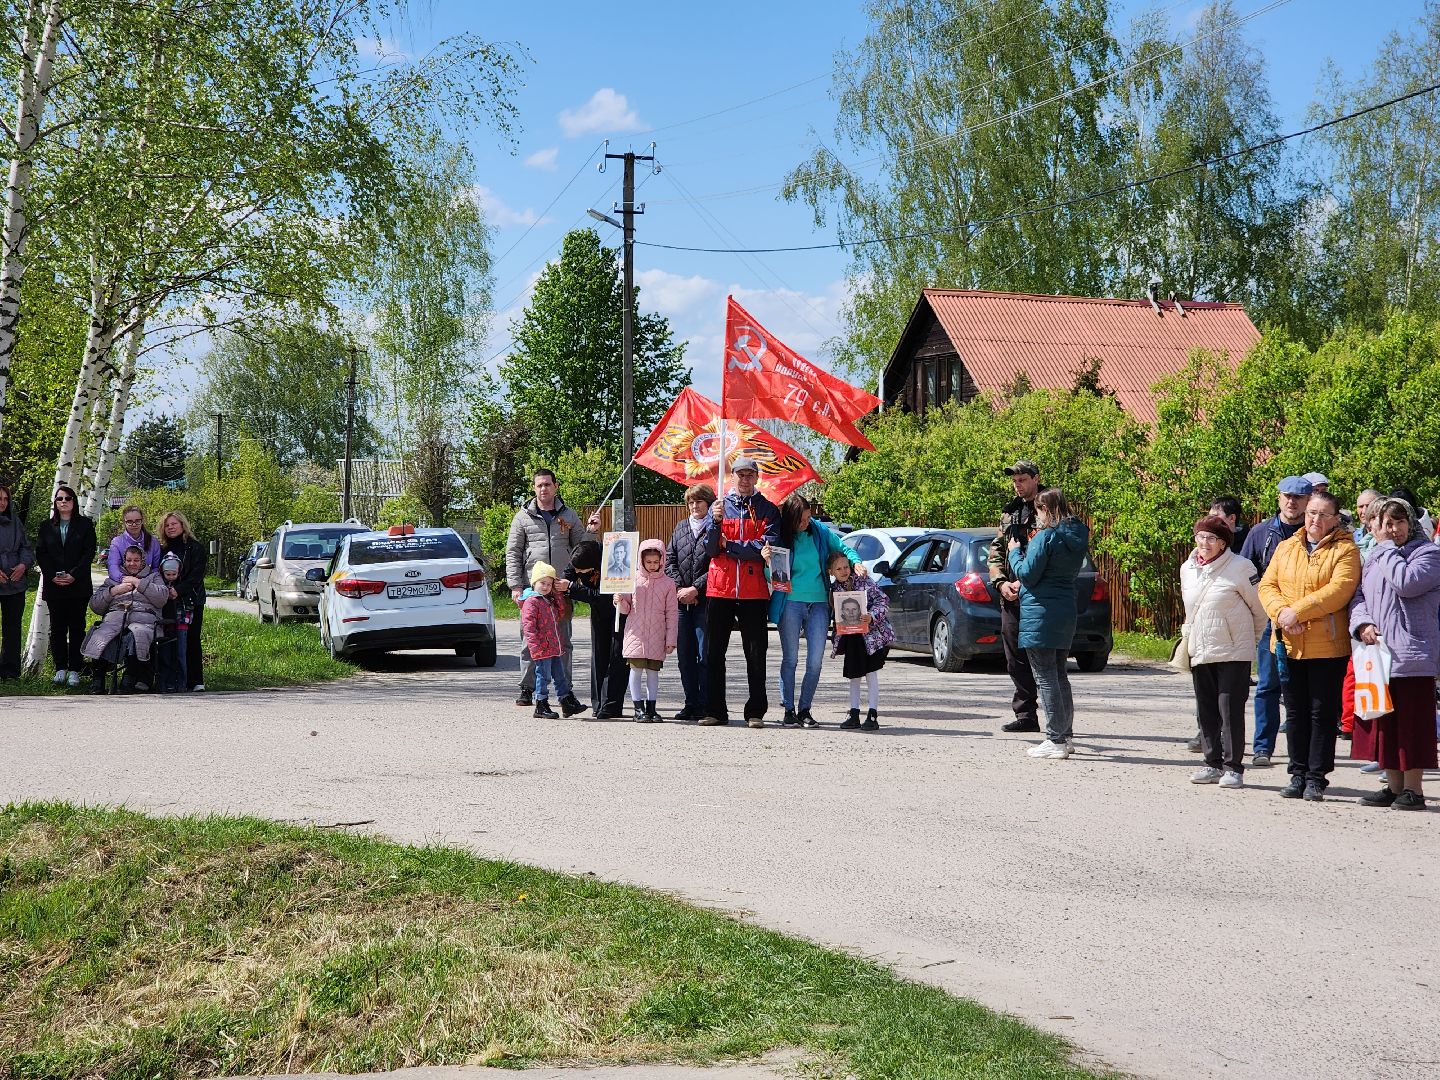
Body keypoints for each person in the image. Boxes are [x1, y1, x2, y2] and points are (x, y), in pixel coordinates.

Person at [1259, 491, 1361, 802]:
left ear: (1335, 519)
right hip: (1288, 643)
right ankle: (1297, 773)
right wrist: (1282, 615)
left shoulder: (1346, 549)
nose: (1315, 519)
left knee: (1321, 712)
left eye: (1323, 514)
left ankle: (1317, 777)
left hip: (1327, 646)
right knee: (1296, 710)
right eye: (1311, 513)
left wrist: (1297, 612)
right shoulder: (1287, 546)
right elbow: (1267, 585)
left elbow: (1339, 591)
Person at [1348, 497, 1440, 811]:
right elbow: (1358, 595)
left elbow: (1406, 583)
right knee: (1384, 721)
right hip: (1379, 651)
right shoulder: (1374, 557)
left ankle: (1414, 790)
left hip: (1413, 653)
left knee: (1412, 724)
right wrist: (1362, 623)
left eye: (1399, 522)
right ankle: (1393, 786)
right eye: (1386, 523)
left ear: (1410, 522)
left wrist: (1385, 547)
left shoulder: (1428, 553)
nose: (1393, 529)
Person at [1180, 515, 1267, 787]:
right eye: (1201, 536)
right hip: (1201, 649)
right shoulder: (1188, 567)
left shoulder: (1241, 567)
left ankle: (1233, 768)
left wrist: (1245, 642)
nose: (1205, 543)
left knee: (1229, 710)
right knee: (1206, 709)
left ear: (1223, 543)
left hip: (1233, 651)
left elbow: (1260, 610)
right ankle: (1211, 763)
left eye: (1212, 538)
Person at [1007, 487, 1090, 759]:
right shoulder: (1075, 536)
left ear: (1046, 509)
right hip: (1064, 612)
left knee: (1045, 679)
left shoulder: (1046, 537)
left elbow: (1028, 575)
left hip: (1041, 613)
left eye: (1039, 511)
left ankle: (1055, 739)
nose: (1037, 516)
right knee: (1059, 676)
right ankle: (1065, 736)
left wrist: (1014, 553)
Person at [768, 492, 863, 728]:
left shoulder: (819, 531)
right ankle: (788, 709)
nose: (806, 523)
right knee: (790, 659)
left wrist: (856, 561)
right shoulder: (779, 536)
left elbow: (844, 548)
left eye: (808, 518)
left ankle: (805, 709)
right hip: (790, 602)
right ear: (790, 519)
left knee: (815, 662)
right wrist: (767, 563)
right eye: (801, 519)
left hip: (819, 603)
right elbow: (770, 575)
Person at [505, 469, 597, 706]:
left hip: (560, 590)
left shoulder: (568, 515)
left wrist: (592, 531)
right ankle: (527, 688)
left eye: (547, 484)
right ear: (534, 488)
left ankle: (565, 691)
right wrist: (516, 586)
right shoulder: (522, 517)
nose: (543, 489)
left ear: (556, 486)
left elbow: (583, 548)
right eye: (539, 485)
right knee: (530, 640)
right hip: (532, 592)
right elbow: (513, 552)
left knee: (562, 641)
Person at [700, 456, 779, 728]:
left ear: (757, 478)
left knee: (756, 653)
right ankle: (714, 710)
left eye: (750, 475)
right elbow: (710, 550)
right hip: (719, 588)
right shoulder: (718, 508)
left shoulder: (768, 509)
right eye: (740, 474)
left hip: (753, 591)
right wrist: (714, 524)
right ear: (731, 476)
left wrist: (730, 547)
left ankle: (755, 711)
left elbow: (766, 548)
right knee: (712, 652)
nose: (745, 480)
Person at [1238, 476, 1312, 767]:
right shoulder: (1261, 533)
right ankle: (1262, 747)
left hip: (1308, 618)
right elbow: (1244, 573)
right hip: (1270, 619)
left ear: (1308, 501)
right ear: (1279, 498)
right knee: (1268, 685)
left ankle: (1302, 752)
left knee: (1304, 688)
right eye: (1286, 496)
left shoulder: (1316, 532)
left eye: (1298, 497)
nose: (1291, 502)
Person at [989, 460, 1041, 734]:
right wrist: (1000, 583)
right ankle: (1026, 716)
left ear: (1035, 478)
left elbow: (1046, 552)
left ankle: (1057, 719)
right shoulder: (1009, 513)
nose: (1017, 485)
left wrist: (1024, 579)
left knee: (1043, 659)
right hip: (1011, 595)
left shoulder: (1049, 507)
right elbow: (997, 550)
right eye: (1015, 481)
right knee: (1014, 658)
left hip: (1038, 595)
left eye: (1022, 479)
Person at [82, 544, 169, 692]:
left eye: (136, 560)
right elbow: (95, 606)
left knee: (136, 634)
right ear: (124, 561)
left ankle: (129, 678)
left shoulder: (154, 577)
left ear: (143, 561)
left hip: (144, 620)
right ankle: (98, 679)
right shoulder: (114, 580)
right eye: (129, 560)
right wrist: (114, 591)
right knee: (102, 635)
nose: (132, 564)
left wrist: (139, 583)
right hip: (115, 619)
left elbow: (162, 598)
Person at [35, 485, 98, 687]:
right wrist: (53, 575)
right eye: (59, 498)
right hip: (54, 586)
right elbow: (41, 554)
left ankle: (75, 670)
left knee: (77, 628)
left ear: (74, 502)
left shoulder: (85, 525)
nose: (63, 501)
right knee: (58, 628)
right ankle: (60, 668)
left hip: (77, 586)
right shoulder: (46, 526)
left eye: (68, 498)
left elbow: (88, 554)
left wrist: (73, 575)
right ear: (55, 502)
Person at [829, 550, 894, 730]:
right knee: (854, 675)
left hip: (871, 637)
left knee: (871, 673)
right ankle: (854, 713)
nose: (843, 571)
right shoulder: (834, 589)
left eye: (846, 567)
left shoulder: (863, 581)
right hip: (852, 638)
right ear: (831, 572)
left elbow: (883, 601)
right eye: (838, 569)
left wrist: (871, 616)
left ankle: (872, 714)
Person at [665, 483, 713, 722]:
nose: (695, 506)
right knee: (685, 656)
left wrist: (696, 589)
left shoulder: (715, 528)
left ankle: (705, 704)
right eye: (691, 502)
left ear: (708, 504)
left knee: (704, 656)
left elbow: (717, 565)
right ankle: (690, 702)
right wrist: (681, 589)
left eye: (699, 502)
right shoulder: (681, 527)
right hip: (681, 602)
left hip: (705, 602)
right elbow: (670, 559)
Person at [617, 539, 678, 722]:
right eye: (648, 562)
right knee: (635, 671)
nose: (652, 565)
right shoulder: (632, 579)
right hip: (635, 633)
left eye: (655, 562)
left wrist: (671, 640)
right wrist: (619, 601)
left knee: (653, 672)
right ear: (641, 561)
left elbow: (672, 614)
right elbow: (626, 609)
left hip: (657, 636)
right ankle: (638, 708)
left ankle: (652, 707)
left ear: (662, 560)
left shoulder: (668, 584)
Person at [564, 540, 625, 719]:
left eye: (581, 571)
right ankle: (598, 704)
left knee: (617, 657)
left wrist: (572, 589)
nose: (577, 573)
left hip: (620, 610)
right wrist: (565, 583)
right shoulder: (581, 557)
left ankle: (612, 705)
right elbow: (568, 574)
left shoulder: (612, 561)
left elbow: (604, 597)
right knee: (598, 656)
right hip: (598, 612)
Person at [519, 561, 585, 719]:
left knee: (560, 676)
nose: (546, 587)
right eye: (542, 583)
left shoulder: (548, 600)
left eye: (549, 584)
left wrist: (556, 593)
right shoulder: (531, 602)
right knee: (544, 676)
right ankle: (541, 704)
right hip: (542, 649)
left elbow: (561, 612)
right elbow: (529, 627)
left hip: (554, 647)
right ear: (534, 582)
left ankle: (565, 701)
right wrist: (535, 648)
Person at [158, 510, 207, 691]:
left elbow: (196, 576)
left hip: (192, 600)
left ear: (182, 525)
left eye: (174, 524)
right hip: (166, 601)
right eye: (167, 525)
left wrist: (178, 590)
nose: (170, 528)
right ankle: (171, 680)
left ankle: (196, 681)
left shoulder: (195, 548)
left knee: (192, 639)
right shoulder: (161, 549)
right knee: (168, 639)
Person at [0, 483, 34, 680]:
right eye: (0, 499)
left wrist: (23, 565)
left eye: (6, 499)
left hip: (15, 582)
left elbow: (26, 547)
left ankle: (10, 672)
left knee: (13, 629)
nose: (3, 503)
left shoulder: (15, 522)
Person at [155, 552, 191, 692]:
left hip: (181, 624)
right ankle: (164, 683)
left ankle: (181, 683)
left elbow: (190, 603)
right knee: (164, 654)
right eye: (167, 574)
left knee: (180, 654)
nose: (170, 577)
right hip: (164, 624)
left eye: (173, 574)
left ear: (178, 572)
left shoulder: (183, 587)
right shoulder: (159, 586)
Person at [106, 505, 161, 581]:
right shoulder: (117, 542)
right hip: (124, 584)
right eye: (130, 522)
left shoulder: (153, 541)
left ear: (142, 521)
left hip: (148, 584)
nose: (134, 524)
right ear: (124, 522)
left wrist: (144, 583)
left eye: (137, 521)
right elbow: (113, 567)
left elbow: (156, 567)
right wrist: (125, 580)